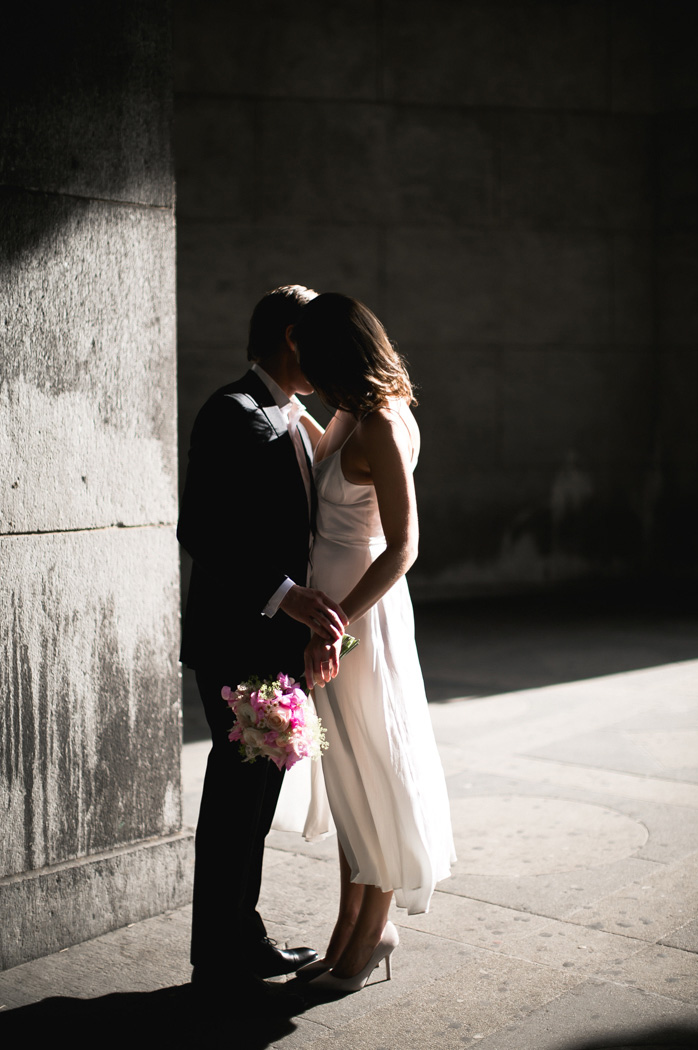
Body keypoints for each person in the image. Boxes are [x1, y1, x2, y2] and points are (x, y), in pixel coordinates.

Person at [177, 284, 348, 1009]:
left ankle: (239, 938)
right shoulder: (231, 411)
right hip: (239, 640)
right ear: (290, 336)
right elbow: (204, 533)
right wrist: (288, 596)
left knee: (254, 798)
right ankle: (221, 953)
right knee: (235, 801)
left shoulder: (293, 416)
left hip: (273, 644)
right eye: (321, 341)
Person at [291, 293, 456, 993]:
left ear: (339, 358)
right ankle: (348, 921)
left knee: (377, 765)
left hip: (362, 614)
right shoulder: (350, 411)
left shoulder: (384, 422)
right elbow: (323, 462)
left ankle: (376, 929)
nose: (307, 374)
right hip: (332, 609)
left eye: (312, 362)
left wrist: (337, 622)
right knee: (346, 771)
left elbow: (404, 548)